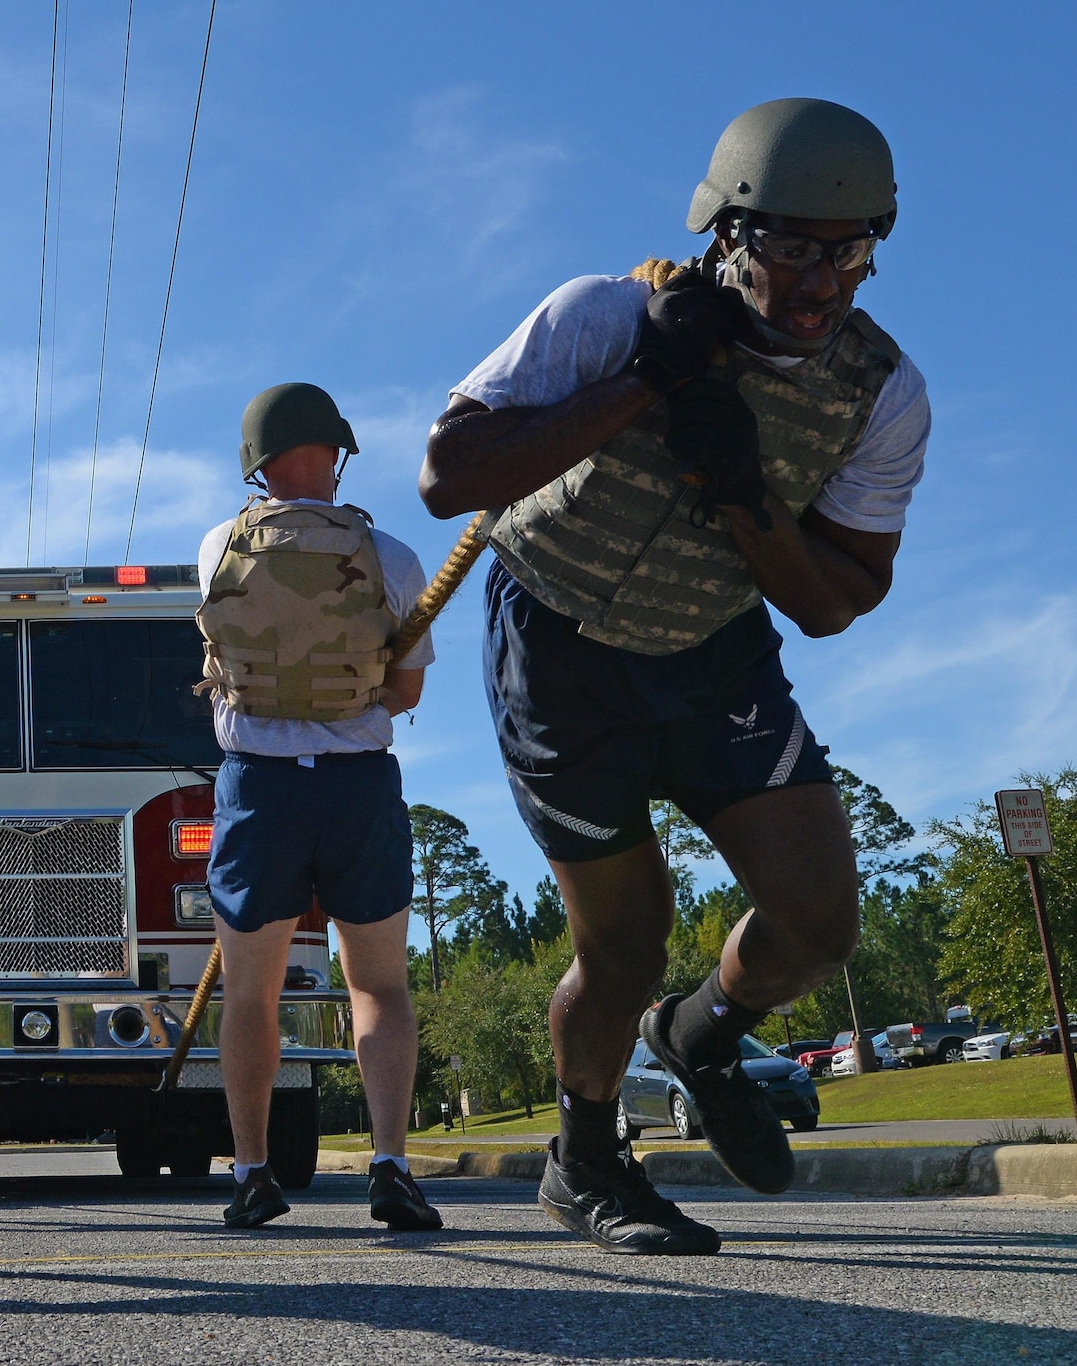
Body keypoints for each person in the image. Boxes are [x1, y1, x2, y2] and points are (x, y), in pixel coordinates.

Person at [420, 100, 931, 1254]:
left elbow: (833, 599)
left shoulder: (879, 391)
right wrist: (642, 382)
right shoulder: (603, 315)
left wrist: (747, 496)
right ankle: (585, 1163)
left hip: (715, 651)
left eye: (846, 251)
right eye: (791, 245)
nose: (818, 282)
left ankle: (701, 1033)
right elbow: (448, 476)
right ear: (728, 233)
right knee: (626, 934)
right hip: (557, 649)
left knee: (817, 919)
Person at [195, 382, 443, 1232]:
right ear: (335, 452)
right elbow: (405, 688)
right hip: (357, 785)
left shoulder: (215, 546)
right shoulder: (395, 557)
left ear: (256, 464)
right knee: (377, 983)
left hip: (257, 788)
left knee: (251, 995)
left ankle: (255, 1173)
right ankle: (391, 1166)